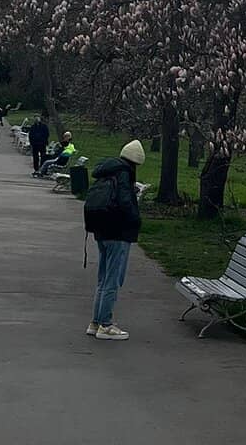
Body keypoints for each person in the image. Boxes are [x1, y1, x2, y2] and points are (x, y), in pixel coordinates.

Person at [85, 140, 145, 340]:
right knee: (112, 280)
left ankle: (95, 321)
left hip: (101, 230)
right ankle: (106, 325)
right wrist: (136, 220)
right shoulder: (124, 174)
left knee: (103, 279)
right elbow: (125, 202)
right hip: (118, 232)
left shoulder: (107, 171)